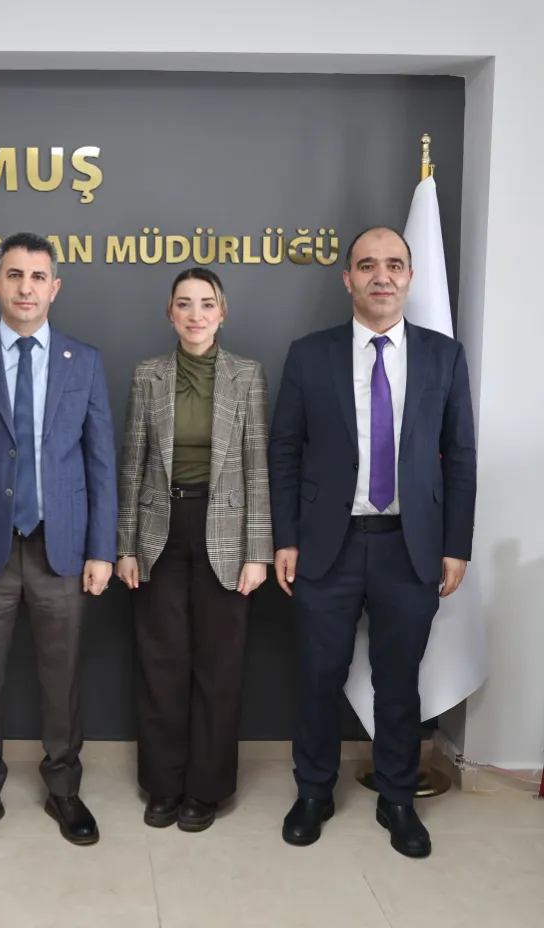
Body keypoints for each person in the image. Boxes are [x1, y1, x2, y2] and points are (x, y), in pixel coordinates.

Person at [269, 226, 476, 858]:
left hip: (410, 547)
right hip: (325, 546)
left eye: (394, 265)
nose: (381, 276)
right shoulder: (310, 355)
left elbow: (460, 456)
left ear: (409, 276)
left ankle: (397, 798)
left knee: (399, 680)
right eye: (367, 265)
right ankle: (313, 792)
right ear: (348, 279)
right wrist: (286, 538)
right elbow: (284, 451)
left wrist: (456, 544)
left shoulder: (444, 356)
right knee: (318, 677)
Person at [0, 231, 117, 851]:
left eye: (38, 277)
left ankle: (64, 787)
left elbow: (100, 464)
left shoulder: (83, 360)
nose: (26, 288)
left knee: (62, 678)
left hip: (62, 550)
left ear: (54, 287)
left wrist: (101, 549)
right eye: (14, 275)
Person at [116, 267, 272, 832]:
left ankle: (205, 789)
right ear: (170, 314)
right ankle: (163, 784)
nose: (196, 314)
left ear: (222, 314)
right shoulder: (148, 375)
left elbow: (257, 467)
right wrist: (125, 545)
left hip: (225, 532)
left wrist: (258, 552)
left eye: (207, 304)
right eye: (184, 304)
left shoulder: (247, 375)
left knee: (219, 666)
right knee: (160, 664)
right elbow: (132, 464)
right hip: (160, 531)